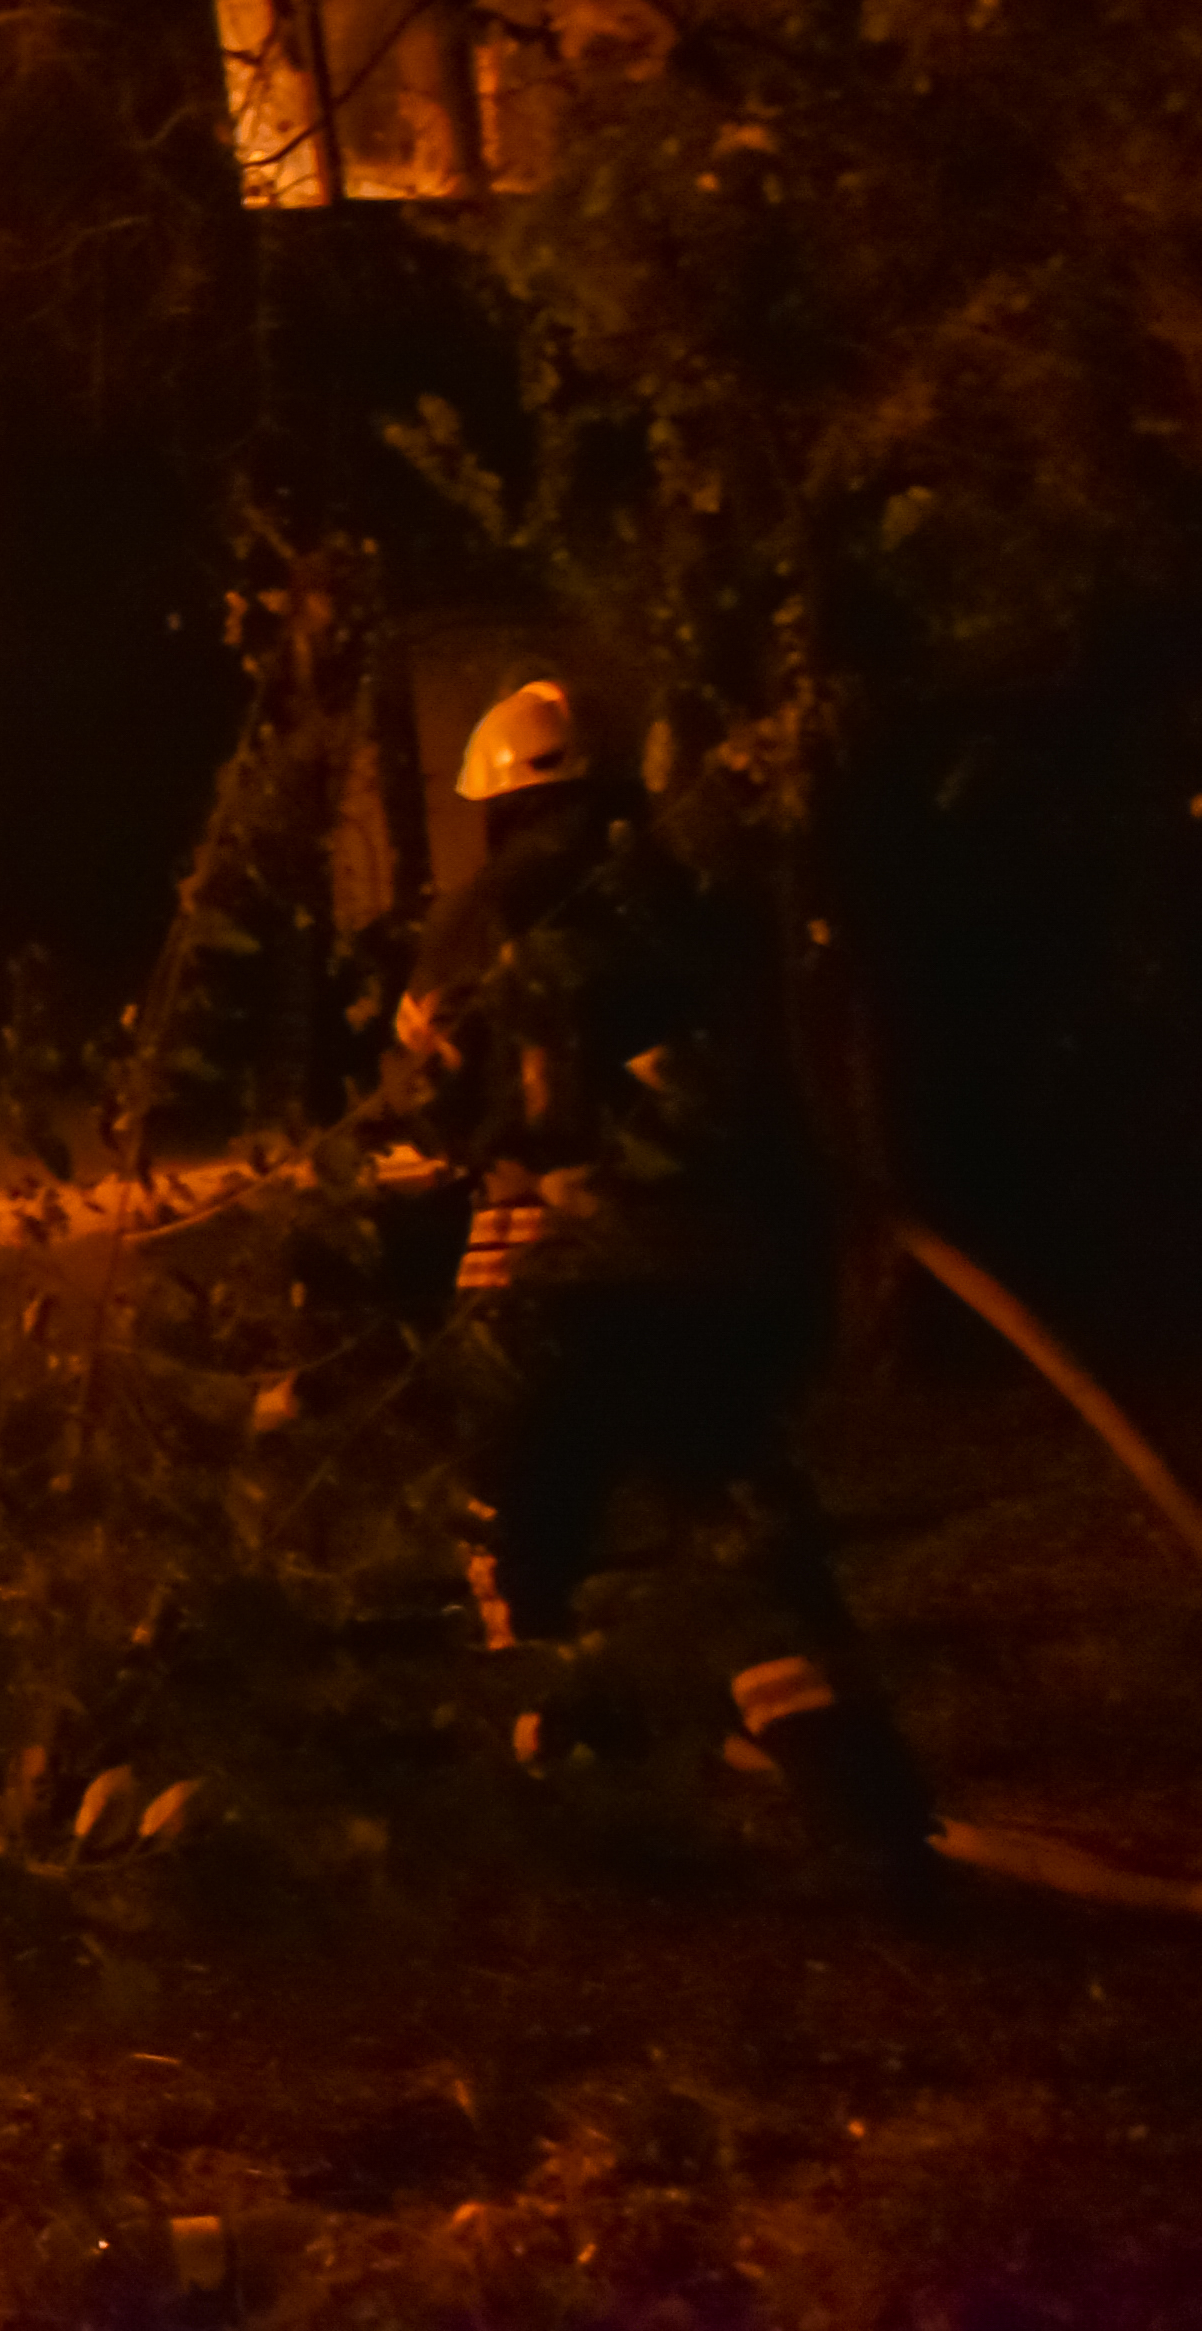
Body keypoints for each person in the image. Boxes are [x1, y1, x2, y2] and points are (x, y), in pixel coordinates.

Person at [395, 680, 936, 1901]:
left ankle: (579, 1794)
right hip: (724, 1269)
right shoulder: (684, 888)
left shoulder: (486, 910)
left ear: (492, 806)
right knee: (743, 1535)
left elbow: (433, 1084)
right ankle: (866, 1815)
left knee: (518, 1537)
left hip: (552, 1280)